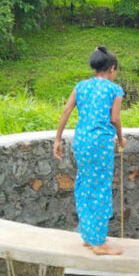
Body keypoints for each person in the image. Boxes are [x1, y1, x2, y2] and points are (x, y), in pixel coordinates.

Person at [53, 46, 126, 255]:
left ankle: (88, 235)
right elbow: (115, 119)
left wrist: (57, 139)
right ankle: (99, 243)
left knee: (84, 184)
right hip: (100, 144)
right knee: (100, 188)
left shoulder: (81, 86)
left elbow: (66, 110)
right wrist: (121, 138)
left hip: (81, 142)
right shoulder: (114, 90)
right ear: (112, 68)